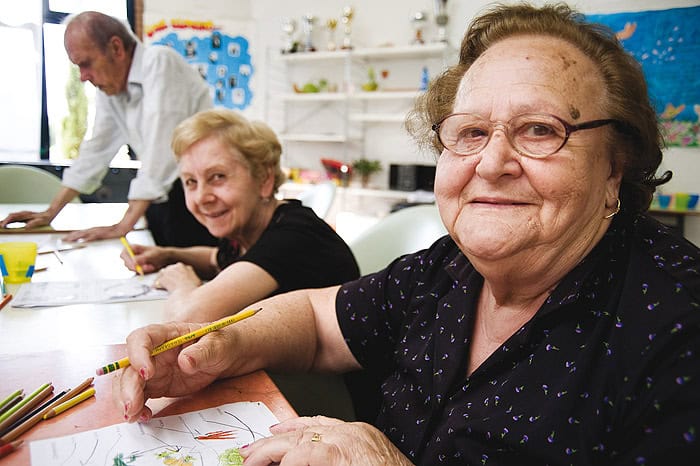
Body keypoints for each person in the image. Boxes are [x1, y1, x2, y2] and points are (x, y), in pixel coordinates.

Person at [112, 3, 700, 465]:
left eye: (540, 130)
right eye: (470, 132)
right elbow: (316, 320)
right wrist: (217, 345)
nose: (492, 162)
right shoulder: (447, 270)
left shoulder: (677, 328)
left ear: (615, 169)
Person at [119, 107, 360, 323]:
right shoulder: (249, 231)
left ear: (264, 180)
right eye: (191, 182)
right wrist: (167, 255)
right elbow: (216, 258)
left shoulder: (294, 237)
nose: (201, 197)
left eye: (218, 177)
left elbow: (187, 318)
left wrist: (182, 284)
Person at [0, 11, 217, 248]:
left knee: (193, 265)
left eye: (86, 64)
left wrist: (123, 225)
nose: (83, 77)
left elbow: (161, 151)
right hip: (159, 194)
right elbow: (96, 150)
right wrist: (50, 212)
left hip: (196, 195)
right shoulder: (113, 87)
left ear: (116, 48)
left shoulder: (159, 62)